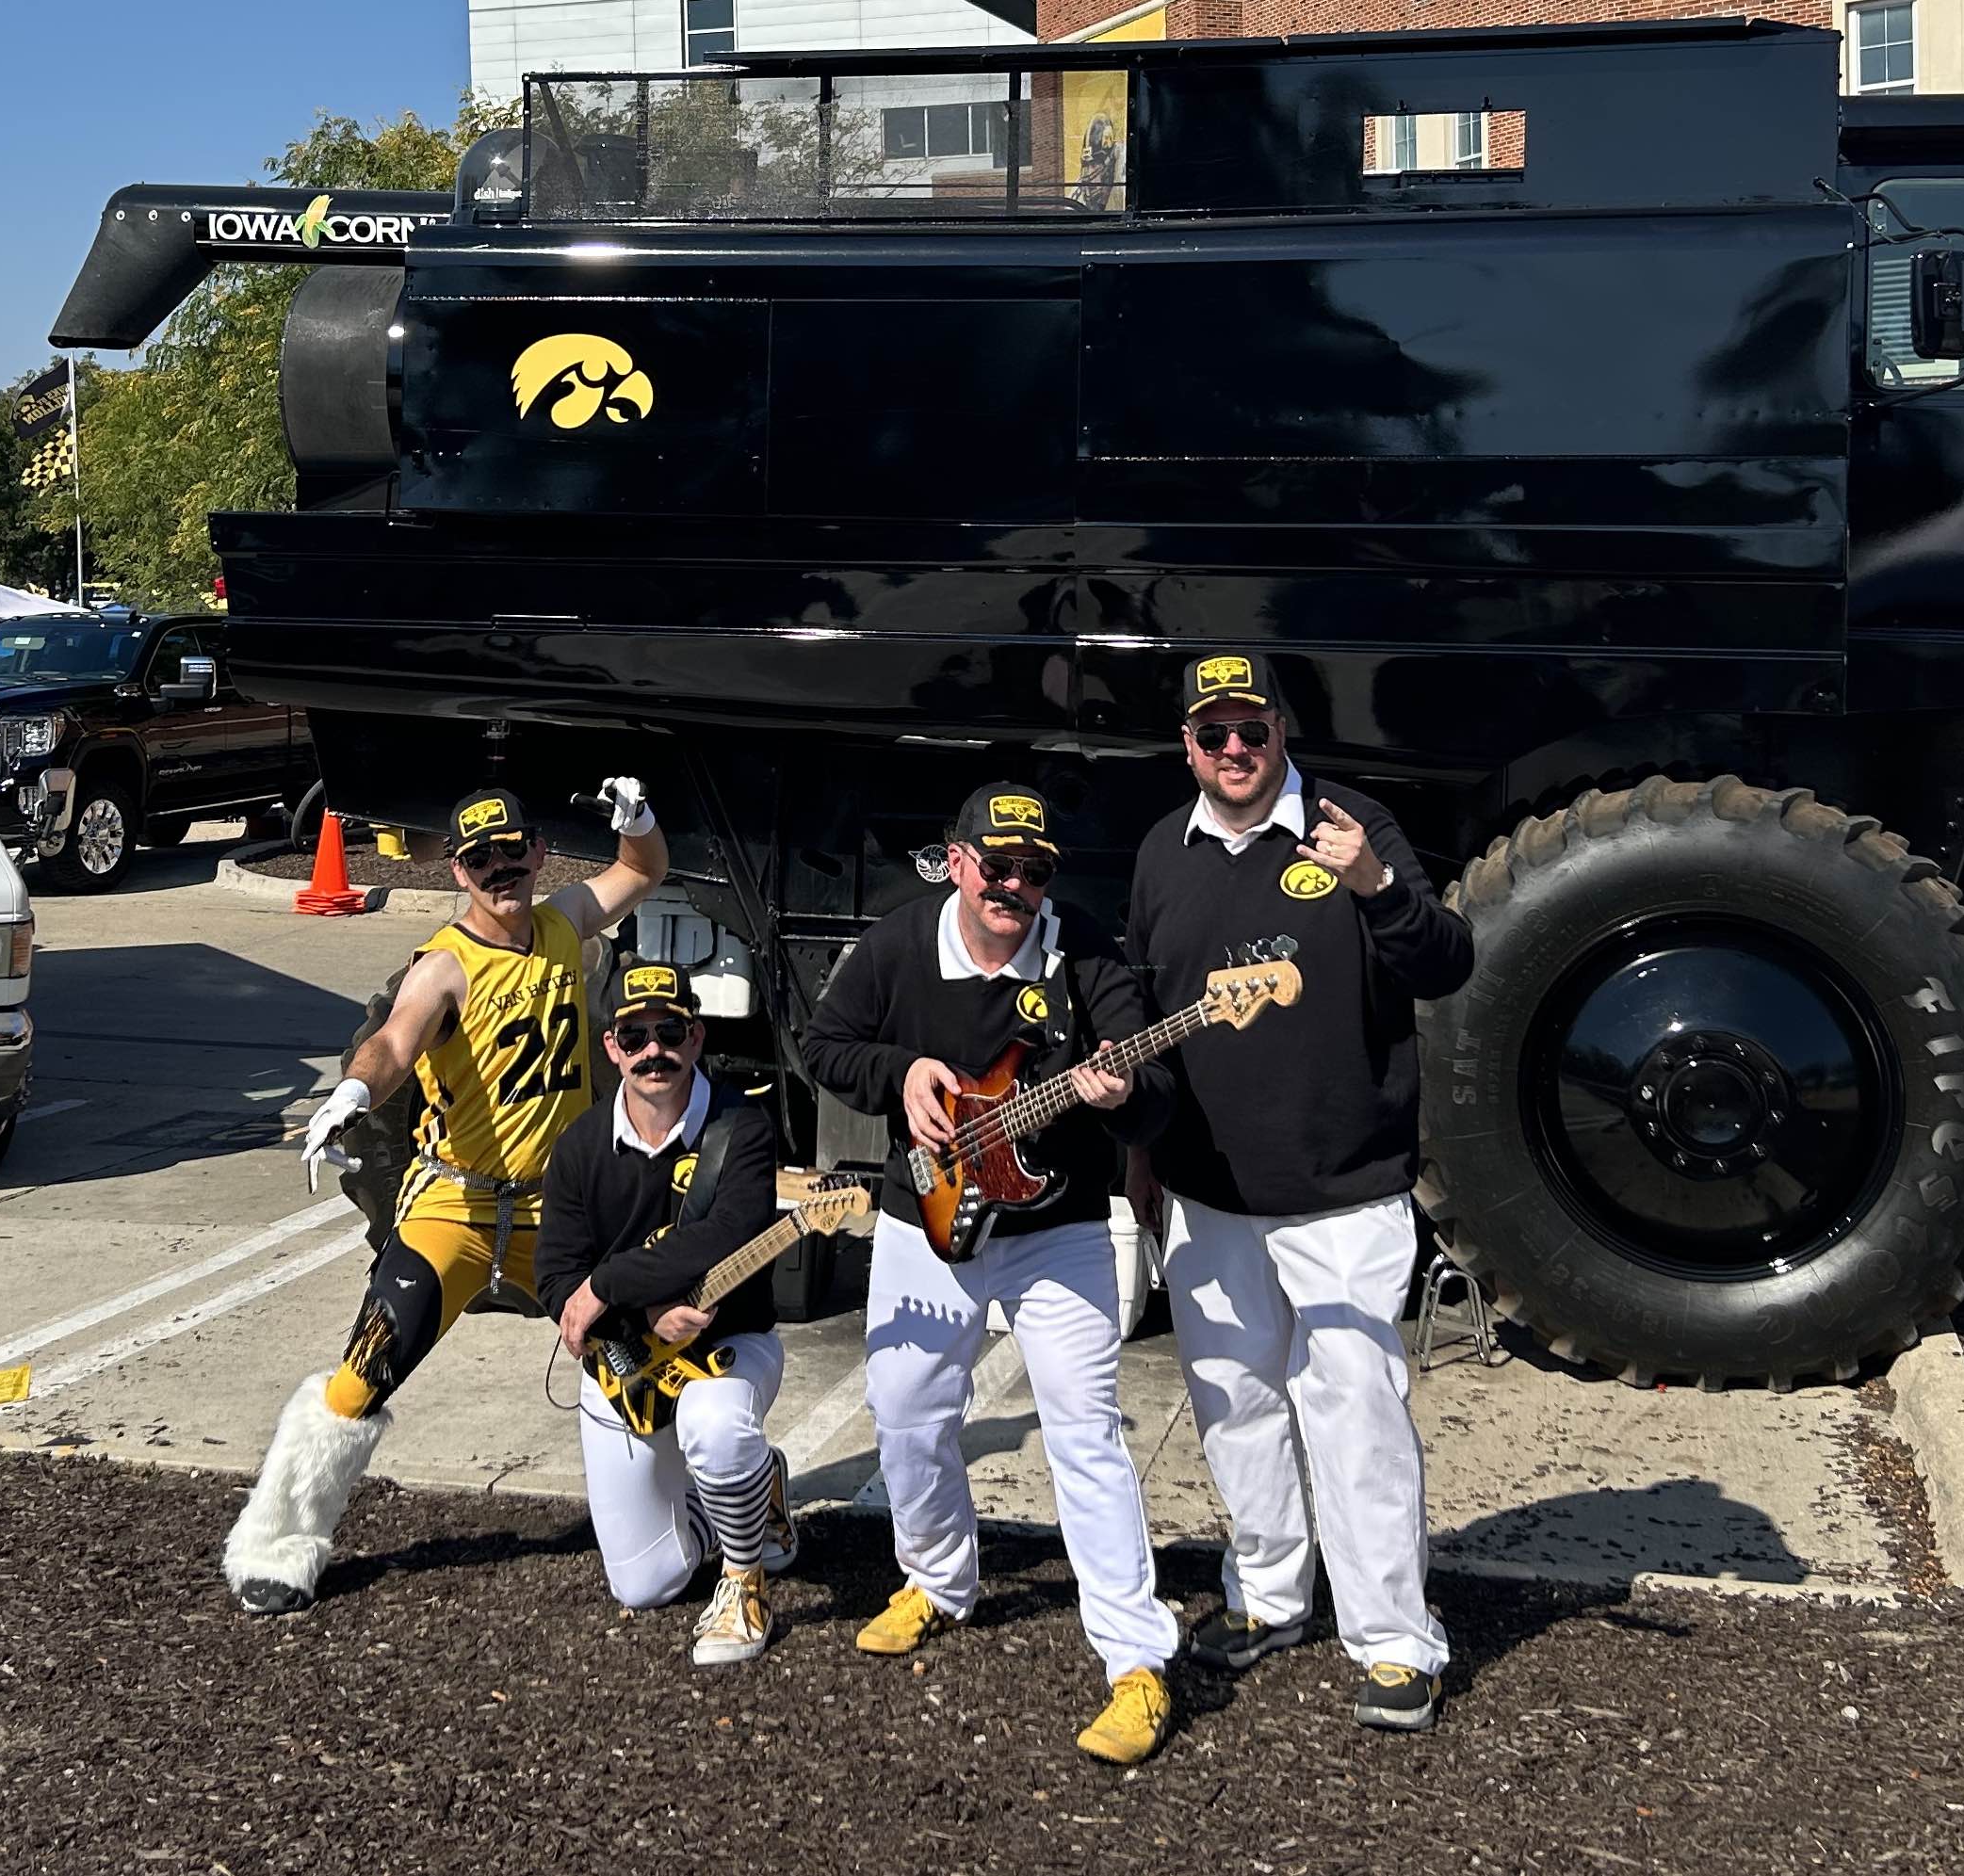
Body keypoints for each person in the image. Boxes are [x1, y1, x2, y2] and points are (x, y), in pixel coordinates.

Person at [1123, 652, 1473, 1734]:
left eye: (1251, 727)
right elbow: (1145, 1016)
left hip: (1341, 1190)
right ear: (1186, 744)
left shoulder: (1349, 825)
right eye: (1212, 732)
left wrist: (1372, 884)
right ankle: (1267, 1594)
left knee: (1355, 1417)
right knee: (1233, 1407)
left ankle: (1391, 1640)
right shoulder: (1159, 853)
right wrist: (1137, 1156)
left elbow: (1444, 962)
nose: (1234, 749)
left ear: (1281, 728)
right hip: (1207, 1192)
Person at [800, 782, 1181, 1768]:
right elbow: (821, 1048)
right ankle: (935, 1578)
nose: (1013, 884)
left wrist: (1122, 1090)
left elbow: (1155, 1101)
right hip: (923, 1215)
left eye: (1032, 870)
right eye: (996, 864)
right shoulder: (897, 942)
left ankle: (1136, 1659)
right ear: (957, 859)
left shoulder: (1083, 952)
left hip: (1055, 1231)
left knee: (1083, 1432)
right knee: (907, 1410)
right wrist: (904, 1075)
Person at [221, 777, 668, 1616]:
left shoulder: (564, 919)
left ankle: (709, 1511)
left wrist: (637, 819)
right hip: (456, 1209)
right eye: (480, 859)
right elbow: (395, 1039)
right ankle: (277, 1539)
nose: (501, 870)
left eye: (513, 851)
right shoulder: (445, 964)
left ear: (538, 852)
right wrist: (353, 1092)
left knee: (648, 1355)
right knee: (363, 1372)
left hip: (559, 1210)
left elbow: (641, 869)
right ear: (457, 871)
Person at [538, 958, 796, 1665]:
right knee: (646, 1583)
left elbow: (726, 1235)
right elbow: (555, 1276)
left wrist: (609, 1283)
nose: (656, 1049)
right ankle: (743, 1494)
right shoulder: (581, 1144)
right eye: (637, 1033)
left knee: (714, 1424)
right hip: (627, 1363)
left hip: (734, 1345)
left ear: (698, 1035)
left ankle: (745, 1582)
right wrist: (631, 1316)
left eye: (671, 1030)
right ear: (613, 1046)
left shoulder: (742, 1125)